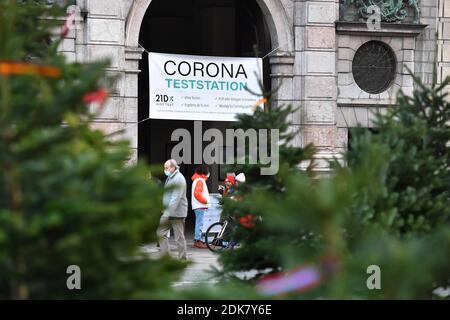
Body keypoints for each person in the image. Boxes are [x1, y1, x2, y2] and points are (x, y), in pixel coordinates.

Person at [157, 159, 188, 260]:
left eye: (167, 168)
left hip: (176, 213)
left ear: (173, 167)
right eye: (165, 168)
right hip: (169, 212)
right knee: (161, 233)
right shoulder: (171, 177)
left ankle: (183, 258)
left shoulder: (179, 178)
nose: (165, 170)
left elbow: (176, 197)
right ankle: (166, 257)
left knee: (179, 237)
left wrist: (167, 212)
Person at [191, 165, 210, 248]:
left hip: (198, 205)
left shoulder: (197, 180)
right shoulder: (200, 181)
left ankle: (198, 239)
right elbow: (197, 194)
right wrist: (205, 201)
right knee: (200, 223)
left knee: (199, 223)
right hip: (200, 205)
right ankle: (197, 240)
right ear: (204, 172)